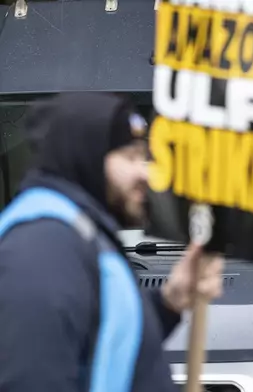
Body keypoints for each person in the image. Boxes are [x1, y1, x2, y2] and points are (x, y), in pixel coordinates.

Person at [0, 92, 224, 392]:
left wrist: (169, 301)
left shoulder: (76, 232)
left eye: (144, 157)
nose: (145, 172)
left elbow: (100, 342)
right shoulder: (42, 249)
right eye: (130, 157)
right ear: (86, 156)